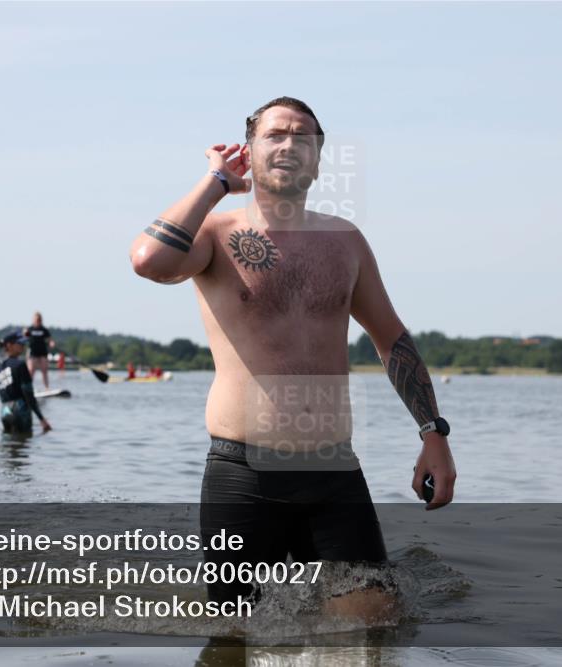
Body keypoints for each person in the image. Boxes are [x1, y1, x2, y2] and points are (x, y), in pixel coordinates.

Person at [129, 97, 456, 625]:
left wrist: (433, 433)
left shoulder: (346, 242)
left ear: (319, 159)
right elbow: (149, 260)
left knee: (374, 627)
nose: (289, 144)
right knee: (235, 634)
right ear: (249, 150)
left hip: (333, 471)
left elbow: (391, 338)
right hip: (243, 474)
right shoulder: (215, 234)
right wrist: (215, 182)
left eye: (303, 137)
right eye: (275, 134)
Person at [0, 331, 51, 435]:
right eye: (20, 343)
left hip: (4, 411)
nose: (23, 346)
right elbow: (29, 395)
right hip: (20, 410)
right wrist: (42, 419)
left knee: (8, 446)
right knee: (24, 444)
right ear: (9, 345)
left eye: (24, 343)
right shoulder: (20, 365)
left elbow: (3, 397)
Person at [23, 311, 55, 390]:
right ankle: (28, 389)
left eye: (39, 320)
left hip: (42, 352)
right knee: (30, 371)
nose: (38, 321)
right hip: (32, 353)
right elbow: (24, 335)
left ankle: (47, 388)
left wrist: (51, 343)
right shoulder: (30, 329)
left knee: (44, 371)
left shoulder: (44, 330)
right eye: (36, 320)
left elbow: (50, 339)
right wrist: (24, 332)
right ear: (33, 320)